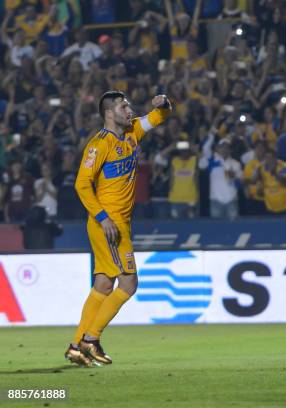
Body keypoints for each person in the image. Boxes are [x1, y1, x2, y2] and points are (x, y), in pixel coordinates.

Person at [68, 91, 171, 367]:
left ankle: (76, 347)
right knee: (129, 283)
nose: (130, 109)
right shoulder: (97, 146)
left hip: (117, 222)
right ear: (110, 113)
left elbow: (158, 117)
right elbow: (81, 184)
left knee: (103, 284)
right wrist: (104, 218)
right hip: (109, 224)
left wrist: (164, 104)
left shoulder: (132, 131)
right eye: (124, 106)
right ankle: (92, 339)